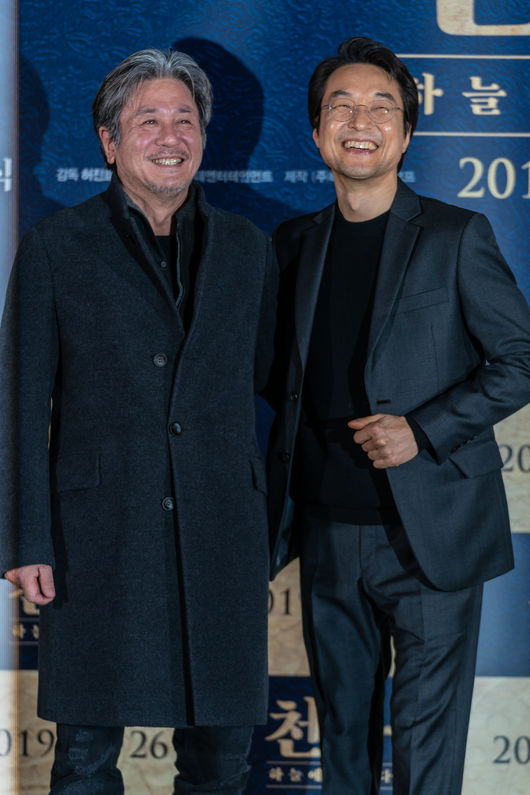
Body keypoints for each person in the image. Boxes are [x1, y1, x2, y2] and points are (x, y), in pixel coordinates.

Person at [1, 49, 276, 794]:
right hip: (98, 537)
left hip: (222, 536)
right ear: (109, 140)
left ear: (204, 137)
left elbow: (276, 389)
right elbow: (19, 400)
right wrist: (26, 538)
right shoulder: (57, 246)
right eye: (148, 119)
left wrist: (271, 520)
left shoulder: (248, 248)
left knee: (221, 763)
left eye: (185, 119)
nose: (169, 136)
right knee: (86, 761)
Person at [266, 36, 530, 795]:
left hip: (431, 533)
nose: (361, 121)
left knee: (425, 747)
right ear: (317, 131)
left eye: (381, 106)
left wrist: (424, 429)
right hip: (325, 533)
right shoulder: (293, 243)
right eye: (341, 106)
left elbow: (520, 358)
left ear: (407, 132)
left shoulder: (456, 235)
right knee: (343, 741)